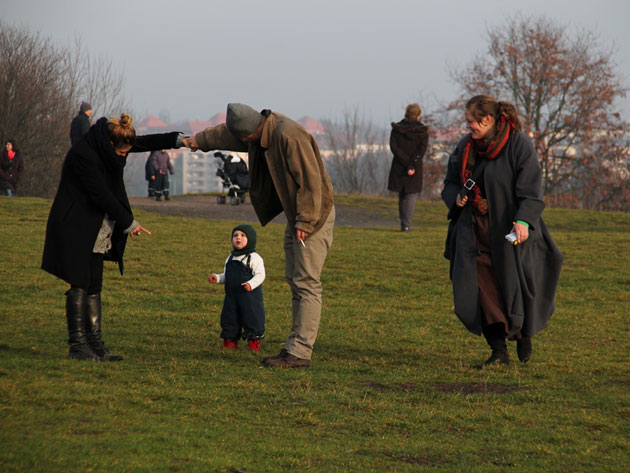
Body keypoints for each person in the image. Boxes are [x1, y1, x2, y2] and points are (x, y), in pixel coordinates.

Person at [184, 103, 334, 368]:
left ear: (250, 134)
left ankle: (299, 352)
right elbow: (226, 135)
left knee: (307, 282)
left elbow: (311, 182)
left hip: (313, 214)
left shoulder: (290, 136)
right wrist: (199, 140)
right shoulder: (260, 128)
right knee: (295, 280)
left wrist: (306, 221)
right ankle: (295, 346)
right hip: (297, 213)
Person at [42, 113, 183, 361]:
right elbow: (101, 195)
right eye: (121, 153)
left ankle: (95, 344)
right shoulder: (83, 155)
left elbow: (144, 142)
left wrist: (178, 140)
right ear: (110, 145)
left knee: (94, 284)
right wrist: (130, 222)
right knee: (79, 282)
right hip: (75, 225)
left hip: (97, 226)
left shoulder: (113, 141)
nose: (123, 157)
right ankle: (77, 345)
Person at [442, 95, 563, 368]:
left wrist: (523, 221)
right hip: (473, 233)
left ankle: (524, 332)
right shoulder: (465, 147)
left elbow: (531, 191)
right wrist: (457, 197)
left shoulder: (518, 145)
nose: (468, 127)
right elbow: (450, 183)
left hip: (512, 231)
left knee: (518, 287)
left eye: (472, 122)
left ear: (487, 120)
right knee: (481, 292)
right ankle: (498, 352)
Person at [208, 224, 266, 351]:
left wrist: (251, 284)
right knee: (230, 318)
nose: (238, 238)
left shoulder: (254, 258)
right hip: (232, 296)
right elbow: (227, 275)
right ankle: (230, 340)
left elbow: (261, 275)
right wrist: (218, 278)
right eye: (235, 236)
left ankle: (254, 341)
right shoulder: (230, 257)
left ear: (251, 239)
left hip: (249, 297)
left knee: (253, 318)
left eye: (243, 236)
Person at [388, 103, 429, 232]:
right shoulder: (422, 132)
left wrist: (405, 163)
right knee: (411, 195)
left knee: (402, 195)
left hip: (399, 166)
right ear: (418, 115)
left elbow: (394, 148)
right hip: (415, 166)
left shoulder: (397, 129)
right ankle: (406, 224)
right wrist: (411, 164)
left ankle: (403, 223)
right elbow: (421, 150)